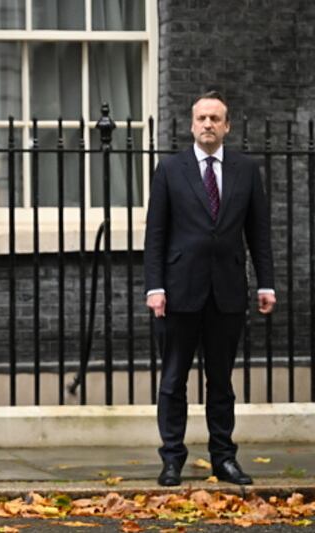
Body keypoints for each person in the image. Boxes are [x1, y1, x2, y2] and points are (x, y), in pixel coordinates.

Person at [144, 91, 275, 486]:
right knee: (173, 380)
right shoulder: (170, 169)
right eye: (201, 118)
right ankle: (172, 459)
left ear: (227, 126)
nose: (207, 124)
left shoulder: (246, 170)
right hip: (179, 291)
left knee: (221, 382)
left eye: (215, 118)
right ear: (191, 125)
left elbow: (258, 233)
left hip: (227, 292)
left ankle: (224, 458)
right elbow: (156, 234)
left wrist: (266, 283)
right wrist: (154, 287)